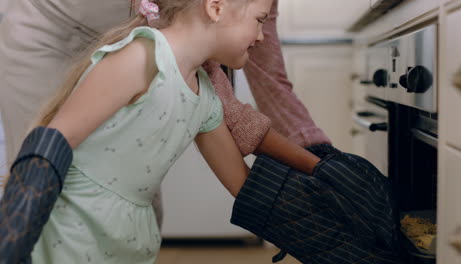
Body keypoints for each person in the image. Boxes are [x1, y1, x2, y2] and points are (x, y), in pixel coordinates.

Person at [0, 0, 326, 262]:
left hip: (128, 235)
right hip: (72, 232)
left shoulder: (205, 100)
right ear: (215, 7)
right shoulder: (139, 58)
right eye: (259, 21)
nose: (261, 35)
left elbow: (244, 184)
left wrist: (322, 185)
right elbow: (56, 139)